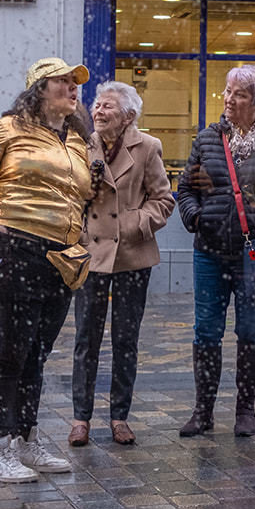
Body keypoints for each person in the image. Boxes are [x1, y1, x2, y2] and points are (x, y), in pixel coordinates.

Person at [0, 57, 93, 482]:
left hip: (60, 260)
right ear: (40, 89)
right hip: (11, 252)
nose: (73, 88)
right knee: (9, 354)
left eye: (74, 82)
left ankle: (23, 440)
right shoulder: (9, 128)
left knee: (36, 355)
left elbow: (81, 194)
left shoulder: (77, 140)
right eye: (63, 81)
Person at [175, 64, 255, 437]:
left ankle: (246, 410)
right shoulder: (209, 138)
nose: (228, 100)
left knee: (251, 329)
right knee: (206, 330)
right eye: (227, 92)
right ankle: (203, 410)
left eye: (239, 94)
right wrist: (196, 217)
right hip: (210, 251)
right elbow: (185, 189)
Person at [68, 81, 175, 446]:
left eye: (107, 106)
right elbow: (71, 199)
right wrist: (79, 235)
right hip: (91, 255)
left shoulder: (147, 148)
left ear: (128, 115)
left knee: (126, 340)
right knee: (86, 340)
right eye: (97, 105)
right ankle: (80, 417)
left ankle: (119, 417)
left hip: (132, 255)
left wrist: (132, 225)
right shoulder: (82, 146)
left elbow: (163, 200)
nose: (98, 111)